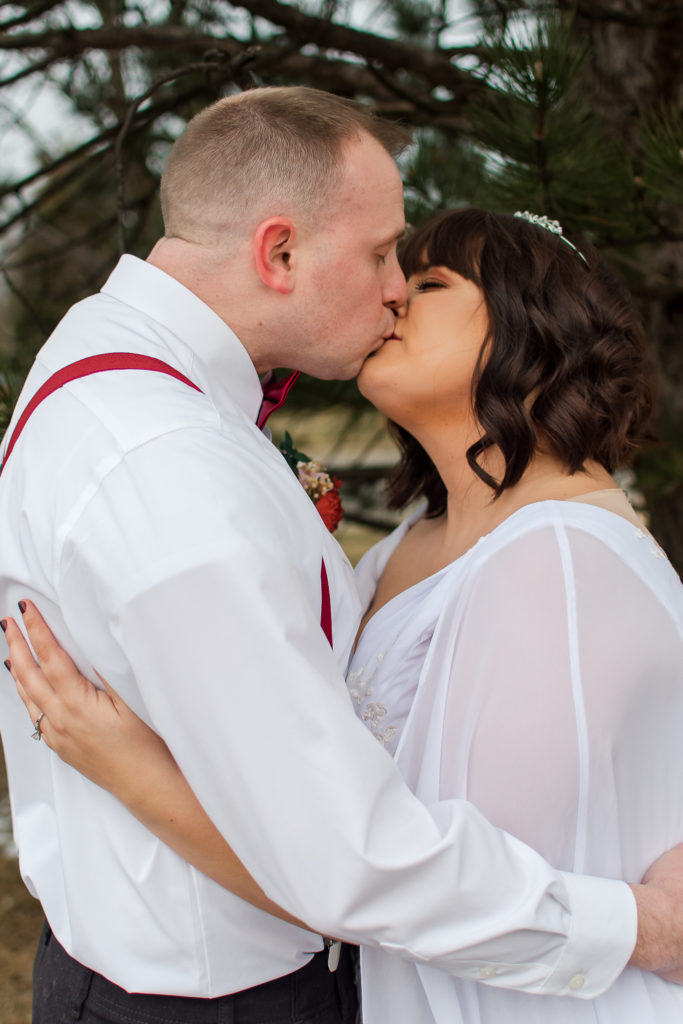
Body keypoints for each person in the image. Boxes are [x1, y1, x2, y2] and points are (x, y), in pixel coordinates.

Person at [0, 90, 682, 1024]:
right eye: (380, 257)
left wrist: (139, 776)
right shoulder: (172, 464)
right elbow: (354, 854)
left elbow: (409, 856)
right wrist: (636, 927)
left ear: (527, 335)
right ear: (278, 252)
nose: (394, 287)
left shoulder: (554, 560)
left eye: (423, 277)